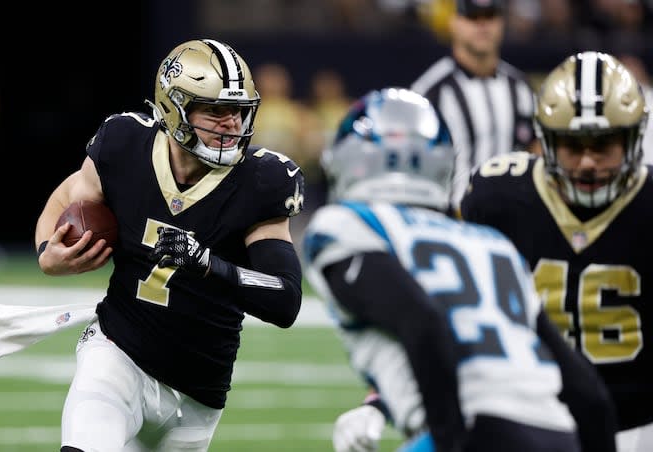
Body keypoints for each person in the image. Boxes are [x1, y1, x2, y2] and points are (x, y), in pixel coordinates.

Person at [302, 87, 617, 452]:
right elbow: (588, 394)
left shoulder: (347, 225)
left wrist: (451, 442)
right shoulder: (490, 243)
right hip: (556, 434)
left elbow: (422, 321)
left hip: (477, 431)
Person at [34, 38, 305, 452]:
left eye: (237, 110)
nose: (230, 122)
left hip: (199, 393)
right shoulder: (125, 144)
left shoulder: (260, 182)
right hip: (117, 353)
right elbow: (70, 194)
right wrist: (46, 253)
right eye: (214, 109)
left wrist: (208, 263)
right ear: (173, 106)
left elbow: (285, 298)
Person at [460, 50, 653, 452]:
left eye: (603, 146)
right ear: (546, 142)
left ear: (633, 140)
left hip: (640, 423)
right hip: (533, 419)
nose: (586, 162)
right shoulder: (498, 199)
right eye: (572, 145)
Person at [410, 0, 537, 210]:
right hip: (452, 222)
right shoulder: (430, 92)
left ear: (502, 22)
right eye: (472, 17)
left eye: (489, 16)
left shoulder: (521, 88)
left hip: (514, 224)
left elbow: (538, 155)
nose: (482, 26)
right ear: (453, 22)